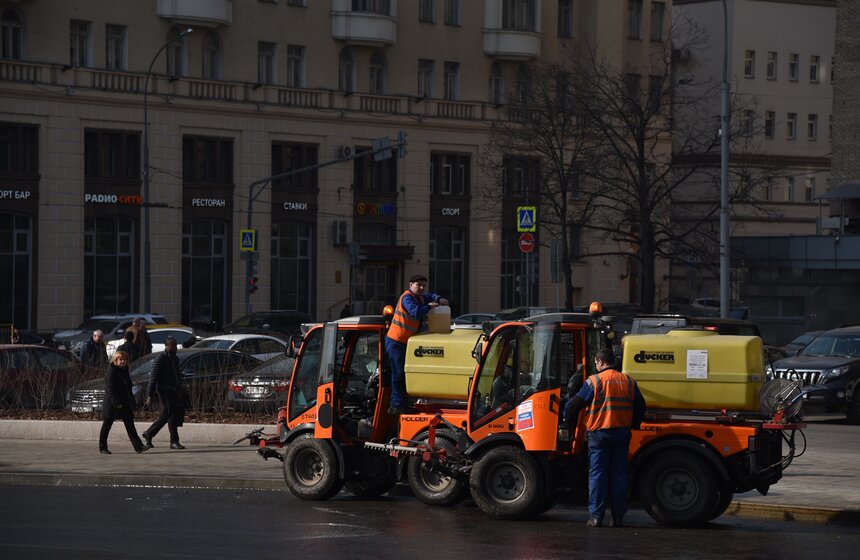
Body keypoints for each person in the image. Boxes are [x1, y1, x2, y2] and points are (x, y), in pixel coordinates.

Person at [564, 348, 646, 528]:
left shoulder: (594, 381)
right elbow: (641, 405)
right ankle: (618, 518)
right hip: (622, 433)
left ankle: (596, 517)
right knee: (619, 475)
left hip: (599, 435)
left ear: (600, 362)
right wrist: (635, 424)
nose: (595, 365)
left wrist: (566, 419)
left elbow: (574, 404)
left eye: (595, 362)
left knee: (598, 475)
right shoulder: (629, 381)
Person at [384, 274, 448, 415]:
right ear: (410, 284)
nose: (421, 288)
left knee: (405, 373)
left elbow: (430, 296)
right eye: (418, 285)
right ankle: (396, 405)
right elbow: (416, 312)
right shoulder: (407, 298)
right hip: (396, 341)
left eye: (423, 285)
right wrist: (429, 307)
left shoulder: (419, 296)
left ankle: (402, 402)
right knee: (398, 373)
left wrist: (439, 299)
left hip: (405, 342)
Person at [98, 351, 148, 454]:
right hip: (113, 404)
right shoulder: (111, 372)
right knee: (107, 425)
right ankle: (103, 447)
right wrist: (116, 402)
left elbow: (128, 388)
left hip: (125, 402)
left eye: (125, 360)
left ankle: (139, 447)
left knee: (130, 424)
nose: (123, 362)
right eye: (120, 360)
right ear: (115, 361)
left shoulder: (124, 371)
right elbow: (110, 389)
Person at [141, 337, 186, 450]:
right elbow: (153, 378)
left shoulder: (175, 358)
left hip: (173, 390)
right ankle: (174, 441)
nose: (174, 348)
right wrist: (149, 395)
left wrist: (179, 390)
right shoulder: (160, 359)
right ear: (166, 346)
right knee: (170, 415)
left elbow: (178, 375)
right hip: (164, 391)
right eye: (172, 345)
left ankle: (149, 434)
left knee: (166, 415)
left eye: (175, 345)